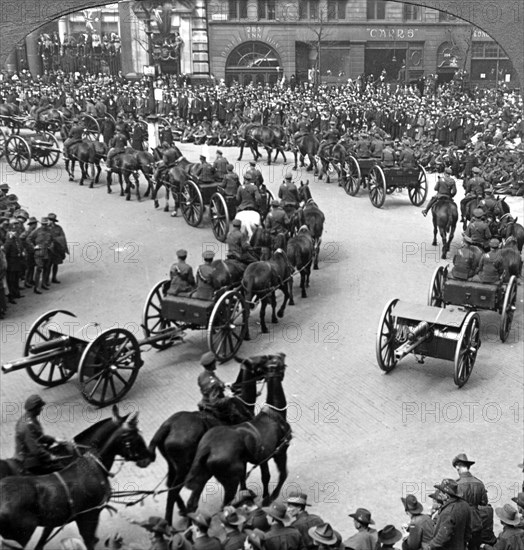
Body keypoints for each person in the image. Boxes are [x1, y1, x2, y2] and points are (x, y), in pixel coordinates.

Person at [15, 395, 60, 474]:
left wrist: (54, 439)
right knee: (61, 469)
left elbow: (39, 436)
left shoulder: (30, 419)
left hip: (31, 453)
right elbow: (35, 450)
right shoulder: (27, 426)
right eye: (40, 407)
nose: (42, 409)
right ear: (35, 409)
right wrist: (49, 456)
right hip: (29, 461)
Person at [424, 479, 472, 550]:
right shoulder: (465, 505)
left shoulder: (448, 512)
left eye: (441, 492)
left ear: (446, 495)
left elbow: (442, 537)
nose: (439, 494)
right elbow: (468, 532)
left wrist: (429, 546)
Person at [27, 217, 53, 294]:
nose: (44, 226)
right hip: (38, 253)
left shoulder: (49, 231)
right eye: (43, 224)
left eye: (45, 224)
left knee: (46, 268)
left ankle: (43, 284)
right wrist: (34, 246)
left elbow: (52, 240)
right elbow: (28, 239)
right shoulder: (37, 231)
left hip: (47, 253)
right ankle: (36, 287)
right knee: (39, 269)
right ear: (41, 224)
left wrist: (51, 245)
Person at [47, 213, 68, 284]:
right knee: (48, 265)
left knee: (55, 264)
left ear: (54, 221)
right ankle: (46, 279)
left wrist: (56, 240)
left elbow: (63, 237)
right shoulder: (45, 228)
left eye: (52, 220)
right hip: (48, 249)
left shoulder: (58, 228)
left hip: (56, 249)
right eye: (49, 220)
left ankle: (54, 278)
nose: (50, 221)